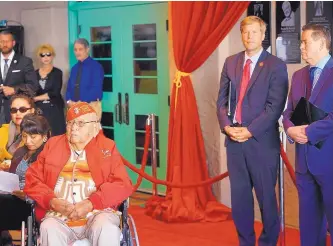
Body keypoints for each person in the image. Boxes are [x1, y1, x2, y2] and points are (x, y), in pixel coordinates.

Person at [216, 16, 289, 246]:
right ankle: (245, 242)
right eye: (246, 32)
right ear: (241, 34)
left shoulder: (276, 65)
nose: (250, 36)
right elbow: (221, 102)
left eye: (255, 32)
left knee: (267, 201)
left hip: (261, 144)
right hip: (234, 142)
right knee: (240, 202)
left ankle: (268, 243)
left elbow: (274, 107)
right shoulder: (230, 62)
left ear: (263, 35)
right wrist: (227, 126)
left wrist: (249, 131)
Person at [24, 102, 133, 246]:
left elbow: (122, 184)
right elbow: (32, 179)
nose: (74, 128)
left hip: (98, 213)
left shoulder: (107, 147)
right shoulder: (53, 145)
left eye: (80, 123)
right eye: (70, 123)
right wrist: (51, 201)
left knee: (107, 229)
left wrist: (92, 203)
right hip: (57, 216)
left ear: (94, 127)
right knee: (48, 228)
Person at [282, 23, 333, 246]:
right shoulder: (299, 75)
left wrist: (309, 132)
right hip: (303, 163)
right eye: (301, 42)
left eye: (305, 42)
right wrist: (289, 128)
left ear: (321, 43)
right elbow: (289, 111)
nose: (301, 47)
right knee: (310, 227)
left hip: (329, 163)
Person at [0, 113, 51, 246]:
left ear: (45, 137)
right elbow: (12, 177)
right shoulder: (20, 152)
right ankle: (4, 239)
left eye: (33, 137)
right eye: (24, 136)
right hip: (13, 196)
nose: (28, 141)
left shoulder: (48, 156)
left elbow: (48, 187)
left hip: (31, 202)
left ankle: (5, 240)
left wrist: (27, 195)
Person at [0, 30, 38, 125]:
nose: (4, 44)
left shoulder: (25, 62)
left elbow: (33, 86)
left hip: (16, 113)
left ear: (13, 43)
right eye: (1, 41)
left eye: (7, 41)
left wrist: (14, 89)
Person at [65, 38, 104, 120]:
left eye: (80, 49)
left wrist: (81, 103)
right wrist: (68, 101)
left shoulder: (96, 67)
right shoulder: (74, 68)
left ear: (87, 49)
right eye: (75, 50)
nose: (77, 52)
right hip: (74, 109)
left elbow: (96, 89)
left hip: (90, 107)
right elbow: (69, 88)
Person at [34, 44, 66, 136]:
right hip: (39, 109)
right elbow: (32, 90)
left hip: (54, 108)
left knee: (56, 134)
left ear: (53, 55)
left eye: (48, 54)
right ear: (39, 57)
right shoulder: (34, 73)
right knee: (41, 134)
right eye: (42, 55)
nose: (46, 57)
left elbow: (55, 93)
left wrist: (36, 98)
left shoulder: (57, 72)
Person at [0, 89, 36, 164]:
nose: (18, 113)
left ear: (32, 111)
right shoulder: (2, 131)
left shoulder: (38, 134)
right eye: (14, 110)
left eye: (22, 109)